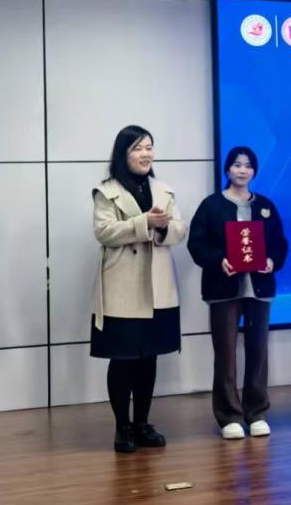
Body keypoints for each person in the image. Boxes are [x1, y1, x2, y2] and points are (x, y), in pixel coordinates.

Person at [91, 125, 186, 453]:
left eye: (149, 147)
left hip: (158, 287)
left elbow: (180, 229)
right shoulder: (106, 191)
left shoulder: (163, 189)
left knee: (149, 358)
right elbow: (104, 232)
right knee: (123, 359)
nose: (146, 154)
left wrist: (162, 229)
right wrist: (144, 223)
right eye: (138, 148)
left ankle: (142, 423)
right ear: (123, 154)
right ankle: (122, 427)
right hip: (123, 287)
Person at [188, 146, 288, 440]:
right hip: (224, 290)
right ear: (227, 169)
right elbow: (197, 244)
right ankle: (229, 416)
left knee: (258, 352)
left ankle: (256, 412)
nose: (242, 170)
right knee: (226, 354)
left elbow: (279, 244)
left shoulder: (265, 206)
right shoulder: (211, 205)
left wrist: (272, 261)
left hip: (259, 289)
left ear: (254, 171)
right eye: (236, 165)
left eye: (247, 166)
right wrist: (218, 260)